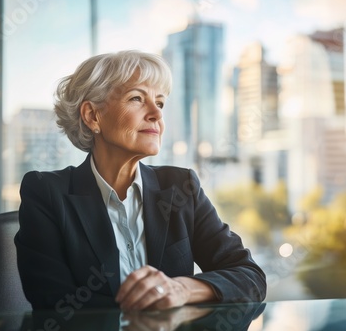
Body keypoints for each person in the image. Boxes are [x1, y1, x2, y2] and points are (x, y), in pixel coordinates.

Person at [14, 50, 266, 312]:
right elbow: (53, 303)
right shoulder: (45, 192)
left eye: (160, 102)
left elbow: (250, 277)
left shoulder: (181, 186)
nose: (156, 114)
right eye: (137, 98)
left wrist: (181, 289)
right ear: (92, 116)